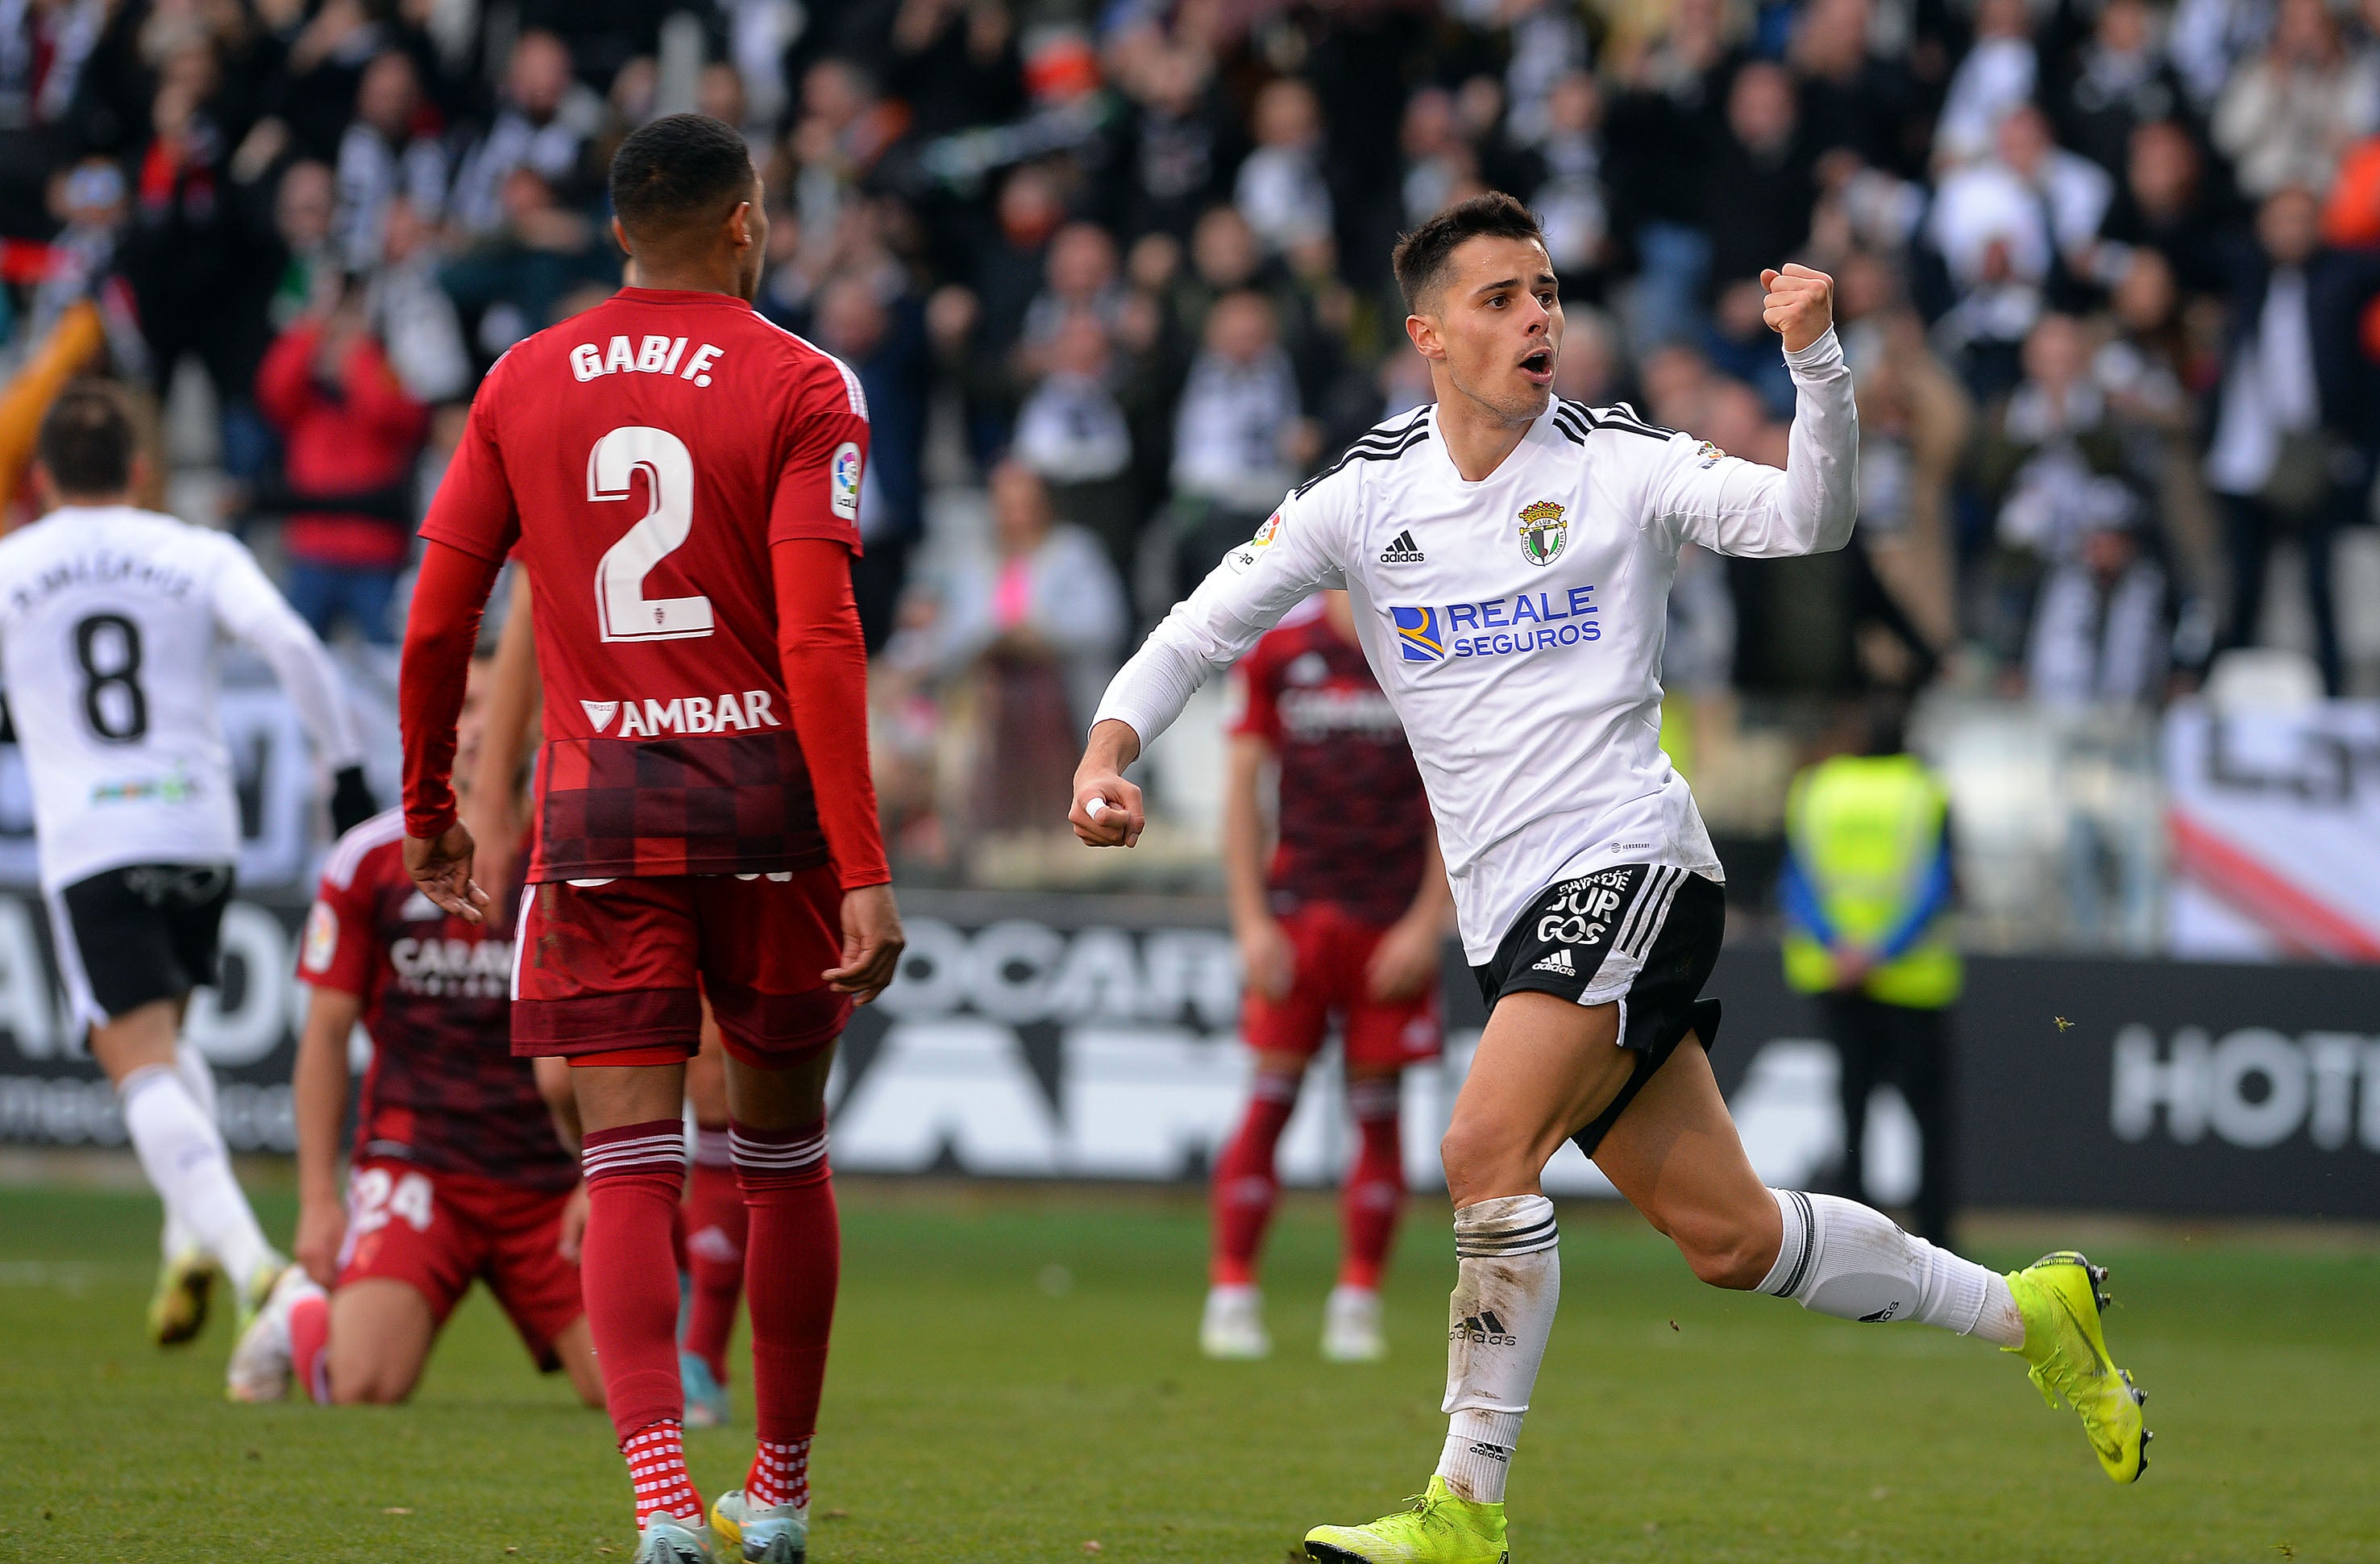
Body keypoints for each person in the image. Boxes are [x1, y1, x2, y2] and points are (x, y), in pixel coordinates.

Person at [1069, 194, 2148, 1564]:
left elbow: (1810, 521)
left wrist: (1816, 364)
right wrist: (1107, 750)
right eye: (1500, 297)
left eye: (1547, 291)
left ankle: (1460, 1510)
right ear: (1427, 335)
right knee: (1730, 1238)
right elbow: (1192, 631)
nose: (1538, 316)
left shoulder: (1621, 460)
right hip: (1512, 916)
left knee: (1477, 1151)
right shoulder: (1362, 496)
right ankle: (2031, 1314)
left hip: (1632, 864)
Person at [397, 115, 904, 1564]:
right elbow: (819, 632)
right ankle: (786, 1492)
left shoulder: (519, 380)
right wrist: (862, 866)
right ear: (745, 224)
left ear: (618, 227)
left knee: (625, 1162)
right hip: (766, 807)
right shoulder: (806, 382)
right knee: (782, 1151)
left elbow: (439, 622)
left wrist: (433, 809)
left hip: (605, 805)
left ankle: (664, 1509)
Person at [0, 381, 376, 1371]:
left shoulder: (12, 566)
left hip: (92, 838)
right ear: (139, 470)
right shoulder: (193, 550)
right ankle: (186, 1244)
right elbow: (294, 644)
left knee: (132, 1056)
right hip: (202, 832)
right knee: (166, 1038)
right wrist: (344, 778)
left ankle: (265, 1273)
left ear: (39, 478)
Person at [226, 656, 601, 1410]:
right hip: (418, 1163)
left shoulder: (579, 852)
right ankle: (300, 1308)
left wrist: (608, 1178)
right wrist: (317, 1202)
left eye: (504, 702)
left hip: (548, 1179)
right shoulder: (370, 858)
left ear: (534, 718)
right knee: (361, 1385)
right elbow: (326, 1036)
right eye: (464, 704)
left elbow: (619, 1036)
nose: (484, 724)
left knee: (636, 1394)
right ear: (435, 722)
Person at [1204, 589, 1452, 1365]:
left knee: (1377, 1111)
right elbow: (1243, 792)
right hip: (1298, 914)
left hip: (1389, 923)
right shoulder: (1280, 653)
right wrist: (1251, 922)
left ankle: (1357, 1299)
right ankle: (1233, 1290)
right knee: (1269, 1098)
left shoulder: (1432, 643)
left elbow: (1459, 794)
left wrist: (1424, 922)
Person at [1779, 710, 1963, 1249]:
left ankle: (1852, 1238)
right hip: (1911, 979)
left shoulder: (1816, 789)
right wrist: (1881, 950)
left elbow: (1794, 882)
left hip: (1835, 974)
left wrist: (1841, 949)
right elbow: (1937, 883)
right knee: (1928, 1117)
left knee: (1851, 1108)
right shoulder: (1924, 791)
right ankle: (1937, 1234)